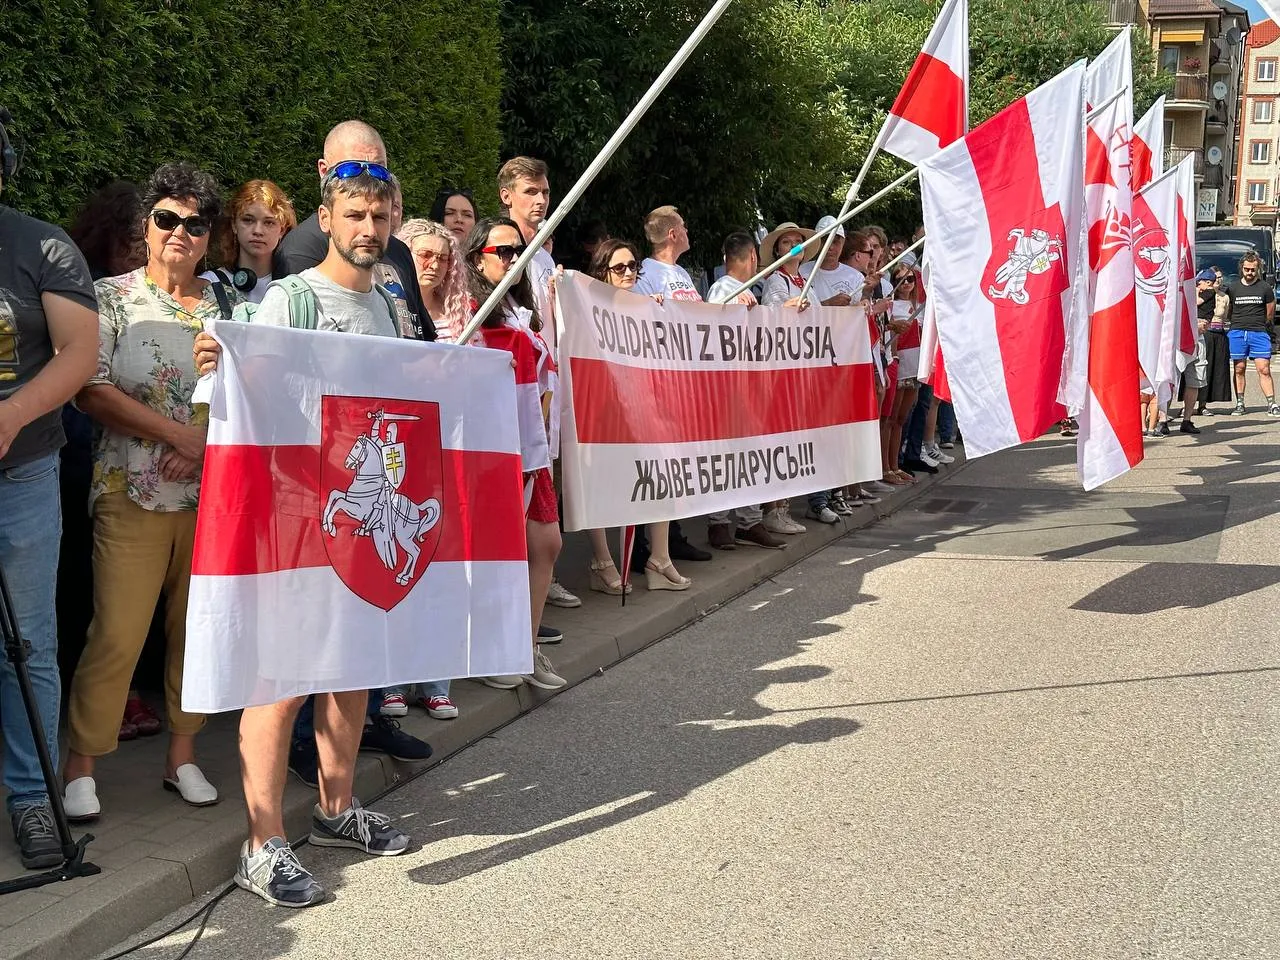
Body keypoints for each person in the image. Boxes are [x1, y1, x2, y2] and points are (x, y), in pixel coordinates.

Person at [193, 163, 415, 907]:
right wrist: (218, 358)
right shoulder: (289, 297)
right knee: (280, 678)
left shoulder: (388, 302)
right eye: (355, 215)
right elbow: (234, 382)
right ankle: (261, 846)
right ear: (326, 217)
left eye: (380, 217)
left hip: (360, 515)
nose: (369, 230)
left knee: (353, 664)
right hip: (294, 517)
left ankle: (334, 809)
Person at [63, 163, 231, 823]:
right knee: (117, 633)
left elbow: (252, 393)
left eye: (194, 223)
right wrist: (177, 437)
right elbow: (90, 387)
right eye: (167, 218)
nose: (179, 233)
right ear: (147, 224)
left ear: (209, 237)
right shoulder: (109, 297)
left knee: (196, 630)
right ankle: (81, 765)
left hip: (209, 498)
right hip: (128, 489)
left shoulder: (228, 308)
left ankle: (182, 756)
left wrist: (207, 439)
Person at [276, 124, 434, 780]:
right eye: (349, 182)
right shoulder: (295, 271)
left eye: (378, 183)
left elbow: (414, 342)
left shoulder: (395, 263)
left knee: (365, 626)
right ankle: (300, 757)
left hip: (383, 464)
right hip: (312, 484)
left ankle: (365, 734)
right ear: (324, 190)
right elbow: (275, 374)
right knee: (305, 647)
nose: (367, 214)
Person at [0, 114, 101, 869]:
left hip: (24, 469)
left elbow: (79, 352)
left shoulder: (40, 245)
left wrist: (12, 416)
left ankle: (31, 798)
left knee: (26, 641)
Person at [66, 181, 157, 743]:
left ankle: (130, 696)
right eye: (126, 241)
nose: (136, 251)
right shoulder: (92, 291)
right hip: (84, 445)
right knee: (90, 590)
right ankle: (105, 712)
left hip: (131, 457)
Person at [462, 217, 569, 689]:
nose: (512, 260)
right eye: (501, 252)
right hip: (493, 450)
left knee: (546, 543)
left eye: (518, 251)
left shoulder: (520, 309)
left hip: (531, 446)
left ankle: (525, 646)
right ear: (475, 258)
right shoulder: (466, 310)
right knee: (499, 550)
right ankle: (495, 650)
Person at [377, 218, 471, 721]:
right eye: (423, 255)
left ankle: (436, 681)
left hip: (448, 455)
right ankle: (392, 682)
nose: (433, 265)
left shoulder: (463, 314)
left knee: (442, 569)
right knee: (393, 561)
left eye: (442, 256)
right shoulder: (391, 310)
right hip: (397, 455)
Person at [586, 239, 703, 581]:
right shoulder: (591, 305)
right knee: (604, 483)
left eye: (633, 266)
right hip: (606, 405)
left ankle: (660, 558)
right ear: (602, 271)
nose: (628, 273)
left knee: (659, 476)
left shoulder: (646, 304)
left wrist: (655, 313)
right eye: (619, 267)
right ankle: (603, 561)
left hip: (645, 404)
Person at [496, 157, 581, 613]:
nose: (541, 200)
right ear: (507, 196)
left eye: (545, 192)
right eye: (531, 192)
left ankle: (541, 586)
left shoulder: (545, 256)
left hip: (550, 385)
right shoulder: (502, 249)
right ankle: (519, 601)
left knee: (546, 486)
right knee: (523, 493)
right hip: (519, 389)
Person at [277, 119, 435, 342]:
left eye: (378, 168)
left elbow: (420, 335)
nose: (367, 178)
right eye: (354, 216)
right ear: (324, 170)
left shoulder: (388, 290)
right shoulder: (296, 269)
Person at [706, 231, 804, 541]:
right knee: (728, 453)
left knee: (749, 452)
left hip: (747, 382)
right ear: (752, 257)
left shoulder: (743, 288)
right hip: (731, 384)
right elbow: (716, 327)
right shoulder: (723, 289)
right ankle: (721, 521)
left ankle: (747, 520)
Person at [202, 179, 296, 304]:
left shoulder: (295, 290)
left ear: (282, 230)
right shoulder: (209, 283)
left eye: (269, 222)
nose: (258, 231)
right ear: (234, 225)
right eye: (248, 220)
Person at [1224, 251, 1277, 417]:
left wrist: (1264, 326)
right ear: (1242, 268)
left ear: (1258, 269)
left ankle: (1272, 403)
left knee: (1264, 369)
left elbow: (1270, 312)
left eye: (1253, 270)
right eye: (1247, 269)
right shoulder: (1233, 288)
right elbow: (1229, 310)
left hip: (1259, 332)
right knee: (1239, 368)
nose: (1250, 273)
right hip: (1237, 332)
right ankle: (1240, 403)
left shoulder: (1265, 288)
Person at [634, 206, 704, 302]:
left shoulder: (682, 272)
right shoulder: (645, 274)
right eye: (683, 226)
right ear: (673, 235)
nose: (686, 230)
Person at [1196, 268, 1232, 415]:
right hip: (1204, 332)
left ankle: (1203, 404)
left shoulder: (1224, 297)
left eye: (1220, 277)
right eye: (1216, 277)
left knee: (1212, 371)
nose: (1219, 280)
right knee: (1199, 369)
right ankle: (1190, 402)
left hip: (1218, 333)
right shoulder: (1203, 293)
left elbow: (1227, 316)